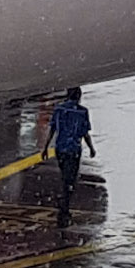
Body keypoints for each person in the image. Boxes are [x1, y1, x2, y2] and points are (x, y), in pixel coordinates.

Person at [42, 87, 96, 225]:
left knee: (65, 174)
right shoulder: (82, 111)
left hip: (60, 148)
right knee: (70, 177)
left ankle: (64, 201)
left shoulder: (59, 109)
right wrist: (91, 148)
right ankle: (65, 203)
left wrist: (46, 147)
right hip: (74, 149)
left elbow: (53, 129)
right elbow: (85, 133)